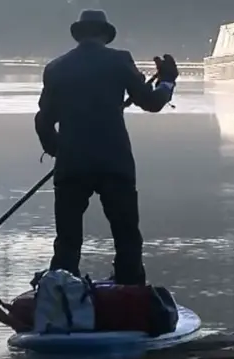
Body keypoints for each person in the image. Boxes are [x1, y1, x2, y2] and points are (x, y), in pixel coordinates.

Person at [34, 9, 179, 285]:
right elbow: (151, 102)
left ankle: (63, 292)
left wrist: (58, 151)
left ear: (79, 35)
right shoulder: (119, 61)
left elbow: (43, 120)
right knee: (126, 235)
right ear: (104, 35)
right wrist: (168, 82)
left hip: (72, 165)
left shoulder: (56, 68)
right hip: (115, 162)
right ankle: (131, 288)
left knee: (67, 240)